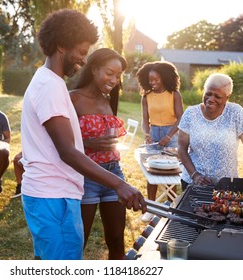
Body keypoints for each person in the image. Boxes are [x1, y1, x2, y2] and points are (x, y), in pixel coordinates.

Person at [20, 9, 146, 260]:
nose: (83, 59)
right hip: (51, 196)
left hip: (57, 194)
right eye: (81, 51)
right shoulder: (50, 86)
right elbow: (67, 151)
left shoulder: (51, 81)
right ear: (61, 46)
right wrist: (118, 184)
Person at [69, 48, 128, 259]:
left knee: (116, 240)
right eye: (110, 72)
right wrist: (89, 142)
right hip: (86, 177)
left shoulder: (108, 99)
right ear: (94, 69)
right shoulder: (72, 99)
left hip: (114, 173)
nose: (114, 79)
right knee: (78, 243)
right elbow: (61, 143)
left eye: (118, 75)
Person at [178, 73, 243, 189]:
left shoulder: (236, 113)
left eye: (217, 96)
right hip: (193, 183)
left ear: (227, 97)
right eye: (208, 94)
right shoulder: (190, 114)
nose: (211, 99)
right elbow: (181, 149)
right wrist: (195, 175)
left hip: (227, 185)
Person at [136, 61, 183, 206]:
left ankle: (171, 205)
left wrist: (169, 136)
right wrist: (147, 134)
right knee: (152, 171)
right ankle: (151, 206)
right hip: (154, 133)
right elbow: (145, 119)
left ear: (163, 77)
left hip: (172, 134)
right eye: (150, 80)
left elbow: (181, 118)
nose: (153, 83)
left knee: (171, 172)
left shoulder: (174, 94)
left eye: (156, 79)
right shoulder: (146, 97)